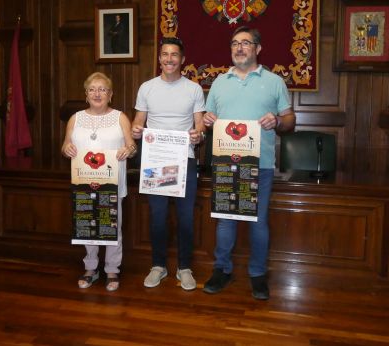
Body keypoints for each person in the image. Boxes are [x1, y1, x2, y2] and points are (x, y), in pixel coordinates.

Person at [202, 26, 296, 300]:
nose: (239, 48)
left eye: (245, 43)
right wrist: (207, 121)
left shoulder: (275, 81)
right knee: (225, 222)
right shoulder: (219, 82)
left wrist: (278, 121)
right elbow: (209, 118)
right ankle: (222, 269)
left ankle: (257, 274)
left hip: (260, 165)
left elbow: (290, 121)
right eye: (234, 43)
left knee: (258, 222)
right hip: (225, 164)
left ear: (257, 49)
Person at [132, 37, 206, 291]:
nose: (169, 59)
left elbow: (200, 124)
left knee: (186, 218)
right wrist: (136, 129)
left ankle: (184, 268)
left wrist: (199, 134)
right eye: (165, 54)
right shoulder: (147, 88)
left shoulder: (194, 89)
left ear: (182, 60)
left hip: (185, 159)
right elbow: (138, 120)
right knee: (158, 217)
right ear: (160, 59)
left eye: (174, 55)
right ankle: (158, 266)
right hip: (155, 160)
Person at [61, 72, 136, 292]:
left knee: (113, 225)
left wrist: (127, 149)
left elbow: (133, 147)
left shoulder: (120, 117)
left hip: (111, 182)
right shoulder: (75, 118)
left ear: (110, 94)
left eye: (102, 89)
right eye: (92, 89)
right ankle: (90, 268)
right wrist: (67, 149)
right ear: (86, 94)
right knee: (88, 223)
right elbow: (65, 147)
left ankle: (112, 269)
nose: (97, 93)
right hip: (84, 182)